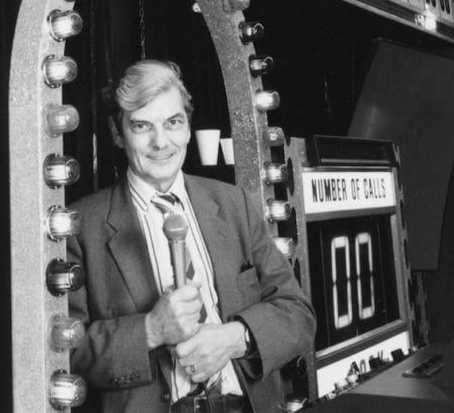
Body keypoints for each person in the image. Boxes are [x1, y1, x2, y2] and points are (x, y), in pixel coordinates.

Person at [67, 60, 315, 413]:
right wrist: (151, 329)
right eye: (141, 126)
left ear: (187, 127)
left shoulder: (234, 205)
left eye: (173, 123)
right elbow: (66, 352)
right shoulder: (81, 226)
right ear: (117, 133)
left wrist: (234, 339)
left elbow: (298, 314)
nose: (161, 142)